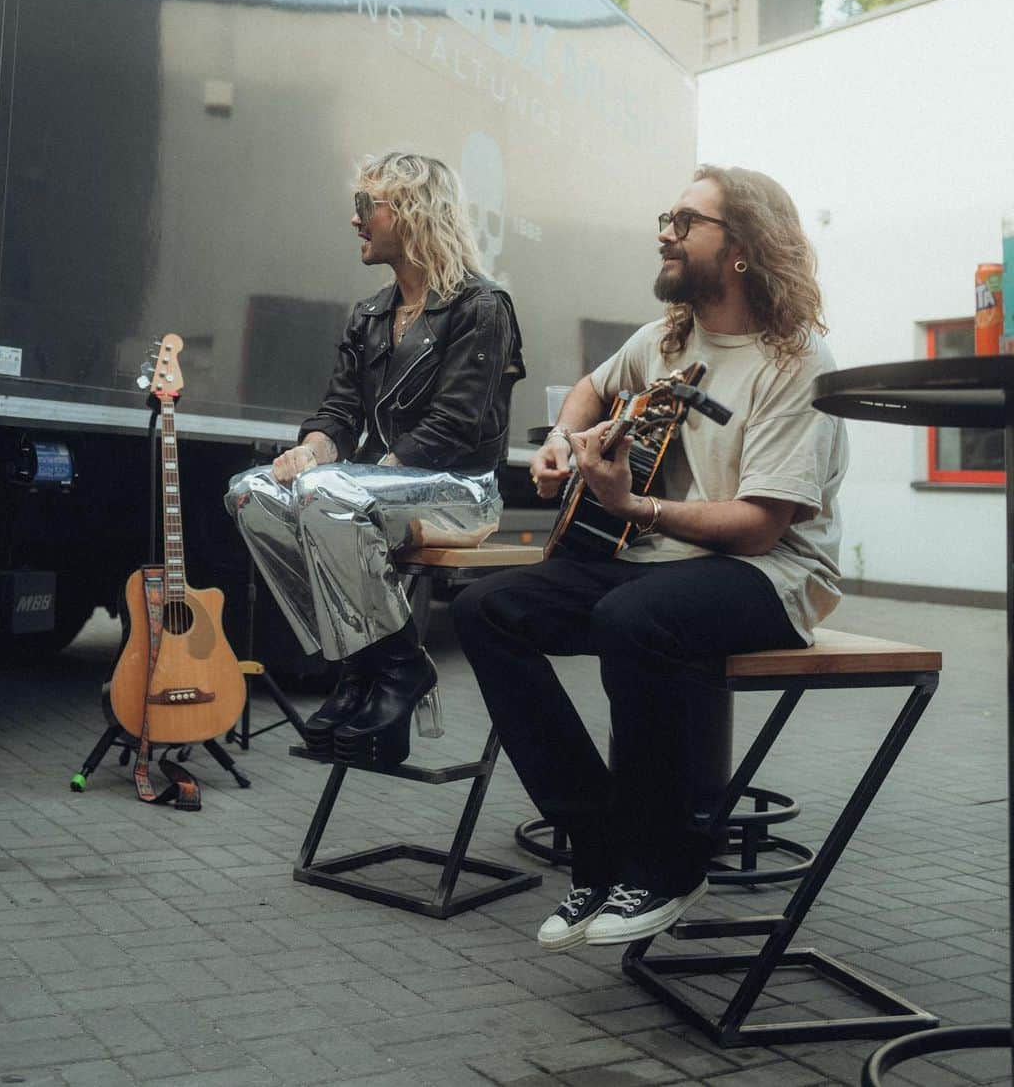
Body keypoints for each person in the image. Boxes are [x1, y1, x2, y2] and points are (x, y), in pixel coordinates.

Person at [452, 164, 848, 951]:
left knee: (630, 616)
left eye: (684, 219)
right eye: (664, 217)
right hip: (661, 558)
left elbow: (762, 526)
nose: (663, 231)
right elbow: (587, 393)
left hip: (773, 577)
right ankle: (599, 850)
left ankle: (668, 864)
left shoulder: (795, 362)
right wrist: (565, 444)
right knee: (486, 609)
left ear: (741, 249)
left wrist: (633, 505)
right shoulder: (665, 339)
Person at [226, 151, 523, 767]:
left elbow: (453, 426)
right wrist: (310, 450)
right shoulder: (368, 314)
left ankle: (391, 673)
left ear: (412, 213)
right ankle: (370, 668)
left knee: (326, 495)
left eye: (367, 206)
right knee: (250, 491)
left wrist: (355, 475)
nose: (355, 220)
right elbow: (338, 413)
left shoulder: (480, 307)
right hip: (376, 487)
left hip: (460, 491)